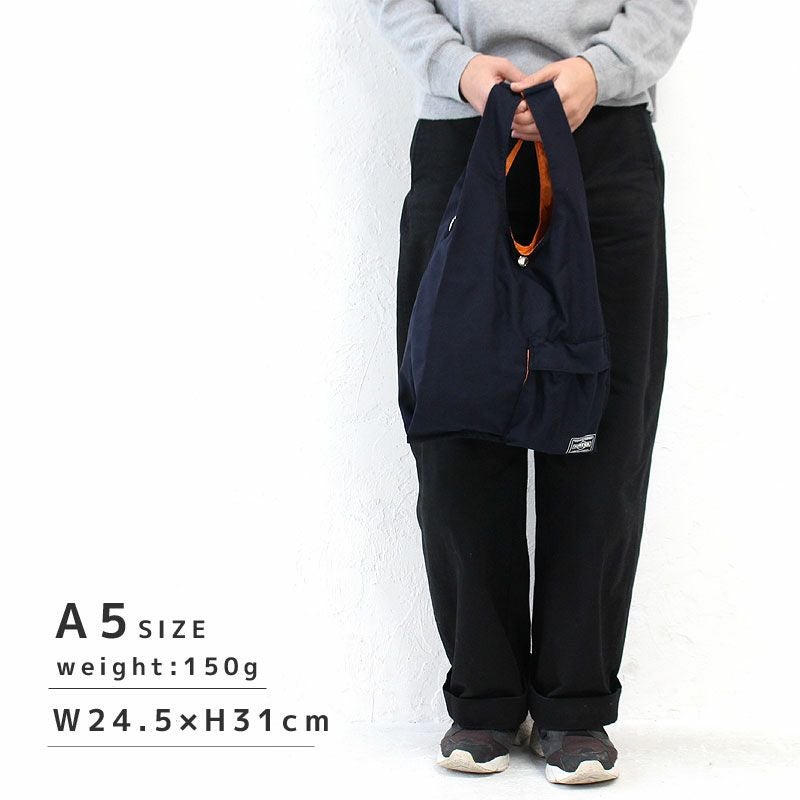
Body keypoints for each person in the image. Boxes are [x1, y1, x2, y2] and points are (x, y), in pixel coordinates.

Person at [366, 0, 696, 785]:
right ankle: (483, 699)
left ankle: (574, 708)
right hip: (462, 129)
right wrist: (462, 71)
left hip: (604, 133)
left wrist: (597, 73)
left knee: (602, 434)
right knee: (457, 422)